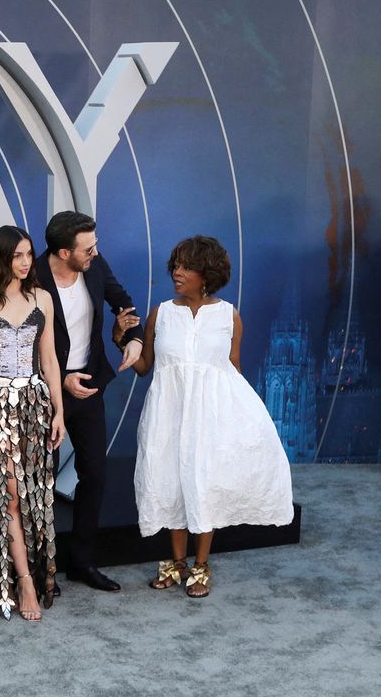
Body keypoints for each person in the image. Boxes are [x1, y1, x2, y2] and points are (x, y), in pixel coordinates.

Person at [124, 236, 294, 598]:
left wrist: (242, 420)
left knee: (204, 483)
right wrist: (120, 337)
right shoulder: (162, 313)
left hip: (210, 416)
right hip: (167, 413)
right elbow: (144, 367)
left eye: (187, 267)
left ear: (207, 273)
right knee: (170, 481)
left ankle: (201, 565)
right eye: (176, 266)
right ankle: (175, 562)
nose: (177, 273)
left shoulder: (228, 315)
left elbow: (232, 369)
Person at [0, 226, 66, 620]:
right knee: (10, 494)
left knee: (34, 493)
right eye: (16, 255)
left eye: (28, 255)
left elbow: (50, 358)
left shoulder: (42, 298)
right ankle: (23, 581)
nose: (24, 263)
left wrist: (59, 410)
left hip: (34, 407)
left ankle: (28, 572)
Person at [33, 210, 143, 592]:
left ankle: (82, 561)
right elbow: (18, 341)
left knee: (94, 474)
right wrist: (60, 379)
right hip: (44, 393)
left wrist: (134, 338)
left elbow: (123, 303)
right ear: (64, 253)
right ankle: (39, 567)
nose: (95, 253)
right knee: (38, 482)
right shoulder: (32, 278)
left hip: (91, 387)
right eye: (87, 248)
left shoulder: (94, 266)